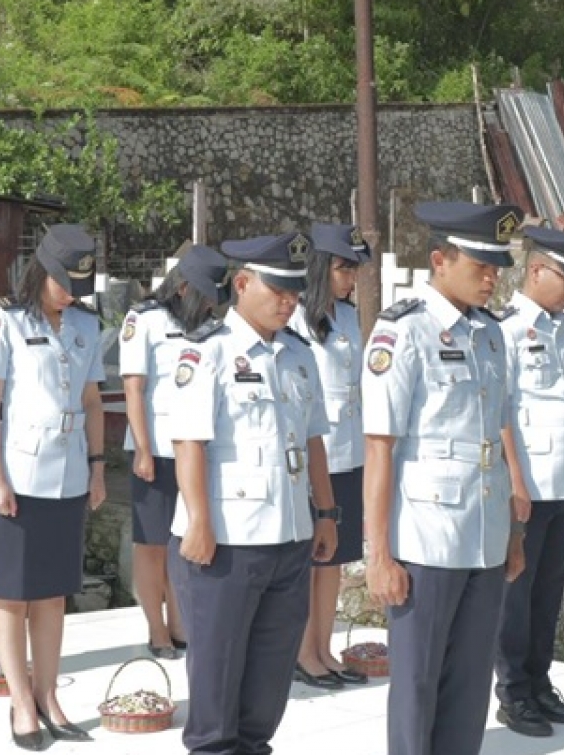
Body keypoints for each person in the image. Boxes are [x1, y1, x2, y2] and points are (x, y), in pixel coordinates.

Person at [362, 201, 528, 755]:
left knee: (470, 681)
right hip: (427, 537)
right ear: (439, 260)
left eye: (496, 266)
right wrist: (379, 554)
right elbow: (380, 448)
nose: (491, 277)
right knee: (417, 681)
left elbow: (494, 441)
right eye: (480, 265)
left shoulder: (489, 334)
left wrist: (511, 535)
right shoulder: (402, 332)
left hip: (482, 535)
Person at [168, 231, 338, 755]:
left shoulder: (299, 355)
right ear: (241, 283)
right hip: (227, 540)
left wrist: (327, 513)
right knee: (218, 675)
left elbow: (313, 441)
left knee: (269, 674)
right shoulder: (207, 353)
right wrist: (198, 521)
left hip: (289, 533)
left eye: (295, 292)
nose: (290, 302)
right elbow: (188, 443)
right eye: (279, 290)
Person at [0, 224, 107, 751]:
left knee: (52, 593)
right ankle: (20, 699)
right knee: (11, 593)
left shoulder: (86, 324)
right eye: (65, 281)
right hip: (18, 475)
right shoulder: (3, 317)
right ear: (42, 269)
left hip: (68, 473)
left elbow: (93, 402)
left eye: (80, 284)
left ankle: (49, 695)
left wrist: (97, 467)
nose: (72, 292)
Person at [494, 226, 564, 737]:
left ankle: (539, 683)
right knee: (517, 593)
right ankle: (513, 693)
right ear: (536, 270)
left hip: (561, 480)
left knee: (547, 591)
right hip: (527, 482)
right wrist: (515, 479)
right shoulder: (507, 329)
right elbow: (502, 412)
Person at [119, 243, 231, 660]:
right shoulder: (144, 319)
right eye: (205, 296)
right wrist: (143, 449)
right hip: (157, 447)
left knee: (184, 539)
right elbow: (134, 388)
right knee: (150, 544)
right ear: (183, 287)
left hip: (197, 449)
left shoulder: (211, 327)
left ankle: (181, 620)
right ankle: (156, 628)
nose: (211, 307)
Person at [287, 223, 370, 689]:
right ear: (321, 267)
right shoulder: (298, 317)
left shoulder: (346, 316)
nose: (351, 277)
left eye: (353, 269)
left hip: (349, 451)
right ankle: (304, 651)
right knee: (313, 558)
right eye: (343, 268)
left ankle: (324, 647)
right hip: (316, 455)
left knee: (335, 559)